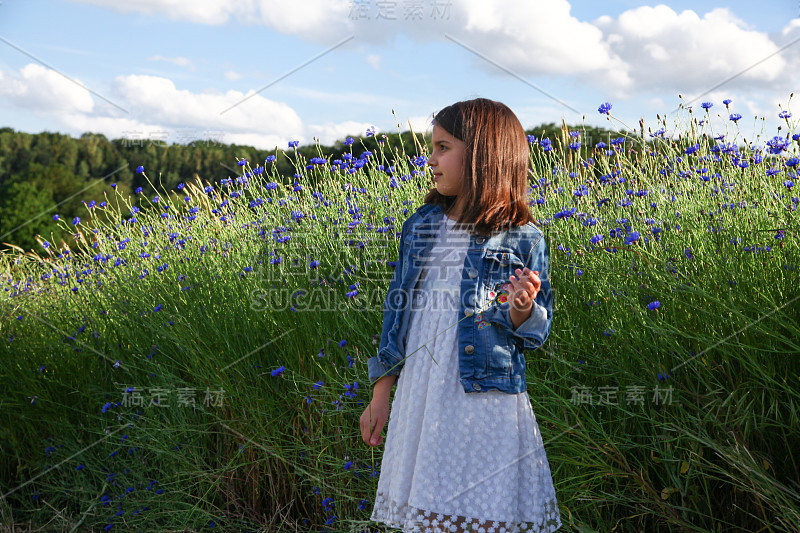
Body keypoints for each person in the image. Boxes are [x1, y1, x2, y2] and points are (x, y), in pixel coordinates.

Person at [360, 98, 562, 533]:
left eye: (443, 147)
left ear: (483, 155)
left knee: (483, 510)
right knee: (428, 510)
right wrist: (382, 390)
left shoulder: (524, 238)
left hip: (484, 394)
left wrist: (521, 310)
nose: (430, 159)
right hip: (423, 391)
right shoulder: (422, 225)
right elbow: (398, 311)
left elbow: (536, 333)